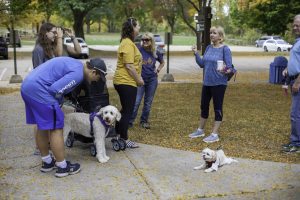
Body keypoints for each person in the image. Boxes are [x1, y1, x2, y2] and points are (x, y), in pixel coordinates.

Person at [21, 57, 104, 177]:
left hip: (28, 87)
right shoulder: (78, 74)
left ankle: (47, 162)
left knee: (42, 126)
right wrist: (59, 103)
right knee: (56, 128)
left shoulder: (76, 64)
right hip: (40, 90)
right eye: (97, 78)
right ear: (93, 72)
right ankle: (62, 167)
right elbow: (55, 90)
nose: (95, 81)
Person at [188, 26, 233, 143]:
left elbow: (229, 67)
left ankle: (214, 134)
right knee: (204, 106)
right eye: (210, 33)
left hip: (219, 83)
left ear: (220, 36)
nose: (211, 35)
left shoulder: (225, 49)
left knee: (217, 108)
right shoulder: (208, 47)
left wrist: (225, 69)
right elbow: (202, 64)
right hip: (207, 82)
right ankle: (200, 130)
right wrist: (196, 54)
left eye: (214, 33)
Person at [32, 22, 63, 155]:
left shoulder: (49, 47)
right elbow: (38, 71)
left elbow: (59, 57)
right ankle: (39, 148)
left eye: (56, 32)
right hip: (42, 90)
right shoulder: (38, 49)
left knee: (47, 120)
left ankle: (47, 145)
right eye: (53, 32)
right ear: (45, 33)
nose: (55, 35)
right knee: (41, 121)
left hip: (50, 89)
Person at [113, 17, 144, 148]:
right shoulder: (127, 43)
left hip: (126, 81)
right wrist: (139, 80)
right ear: (132, 28)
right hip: (126, 82)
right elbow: (129, 66)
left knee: (125, 110)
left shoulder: (129, 43)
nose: (139, 29)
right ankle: (124, 139)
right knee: (128, 111)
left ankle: (116, 135)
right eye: (138, 26)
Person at [129, 32, 165, 129]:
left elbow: (162, 62)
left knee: (148, 102)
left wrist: (157, 70)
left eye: (147, 40)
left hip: (152, 80)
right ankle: (129, 122)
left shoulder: (155, 51)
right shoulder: (138, 50)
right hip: (140, 79)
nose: (144, 41)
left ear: (151, 41)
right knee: (136, 101)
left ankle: (144, 121)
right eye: (143, 40)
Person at [281, 14, 300, 153]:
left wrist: (297, 82)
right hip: (293, 78)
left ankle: (296, 144)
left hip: (298, 81)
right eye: (294, 25)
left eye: (298, 25)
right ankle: (295, 141)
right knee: (295, 114)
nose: (295, 27)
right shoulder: (297, 40)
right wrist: (288, 69)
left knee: (295, 114)